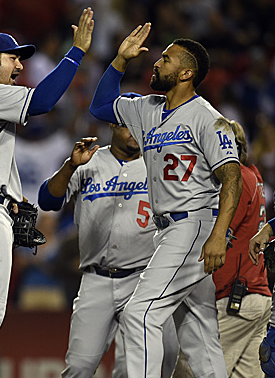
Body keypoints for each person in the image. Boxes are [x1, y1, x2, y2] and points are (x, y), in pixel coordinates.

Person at [88, 23, 242, 377]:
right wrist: (119, 60)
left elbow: (232, 178)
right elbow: (100, 106)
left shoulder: (208, 118)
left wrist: (219, 233)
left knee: (140, 313)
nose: (157, 62)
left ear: (186, 73)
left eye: (167, 59)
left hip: (192, 225)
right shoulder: (146, 109)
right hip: (169, 230)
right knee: (199, 331)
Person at [0, 8, 94, 378]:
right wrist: (75, 53)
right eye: (13, 58)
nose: (19, 66)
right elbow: (42, 102)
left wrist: (12, 196)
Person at [37, 122, 178, 378]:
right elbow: (48, 200)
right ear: (113, 125)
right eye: (129, 126)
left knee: (162, 359)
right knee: (79, 368)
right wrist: (71, 166)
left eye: (141, 125)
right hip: (96, 280)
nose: (136, 133)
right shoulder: (89, 161)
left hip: (143, 281)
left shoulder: (157, 164)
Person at [172, 120, 270, 377]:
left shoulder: (235, 181)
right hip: (255, 297)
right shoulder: (253, 175)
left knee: (191, 370)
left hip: (233, 300)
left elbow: (218, 239)